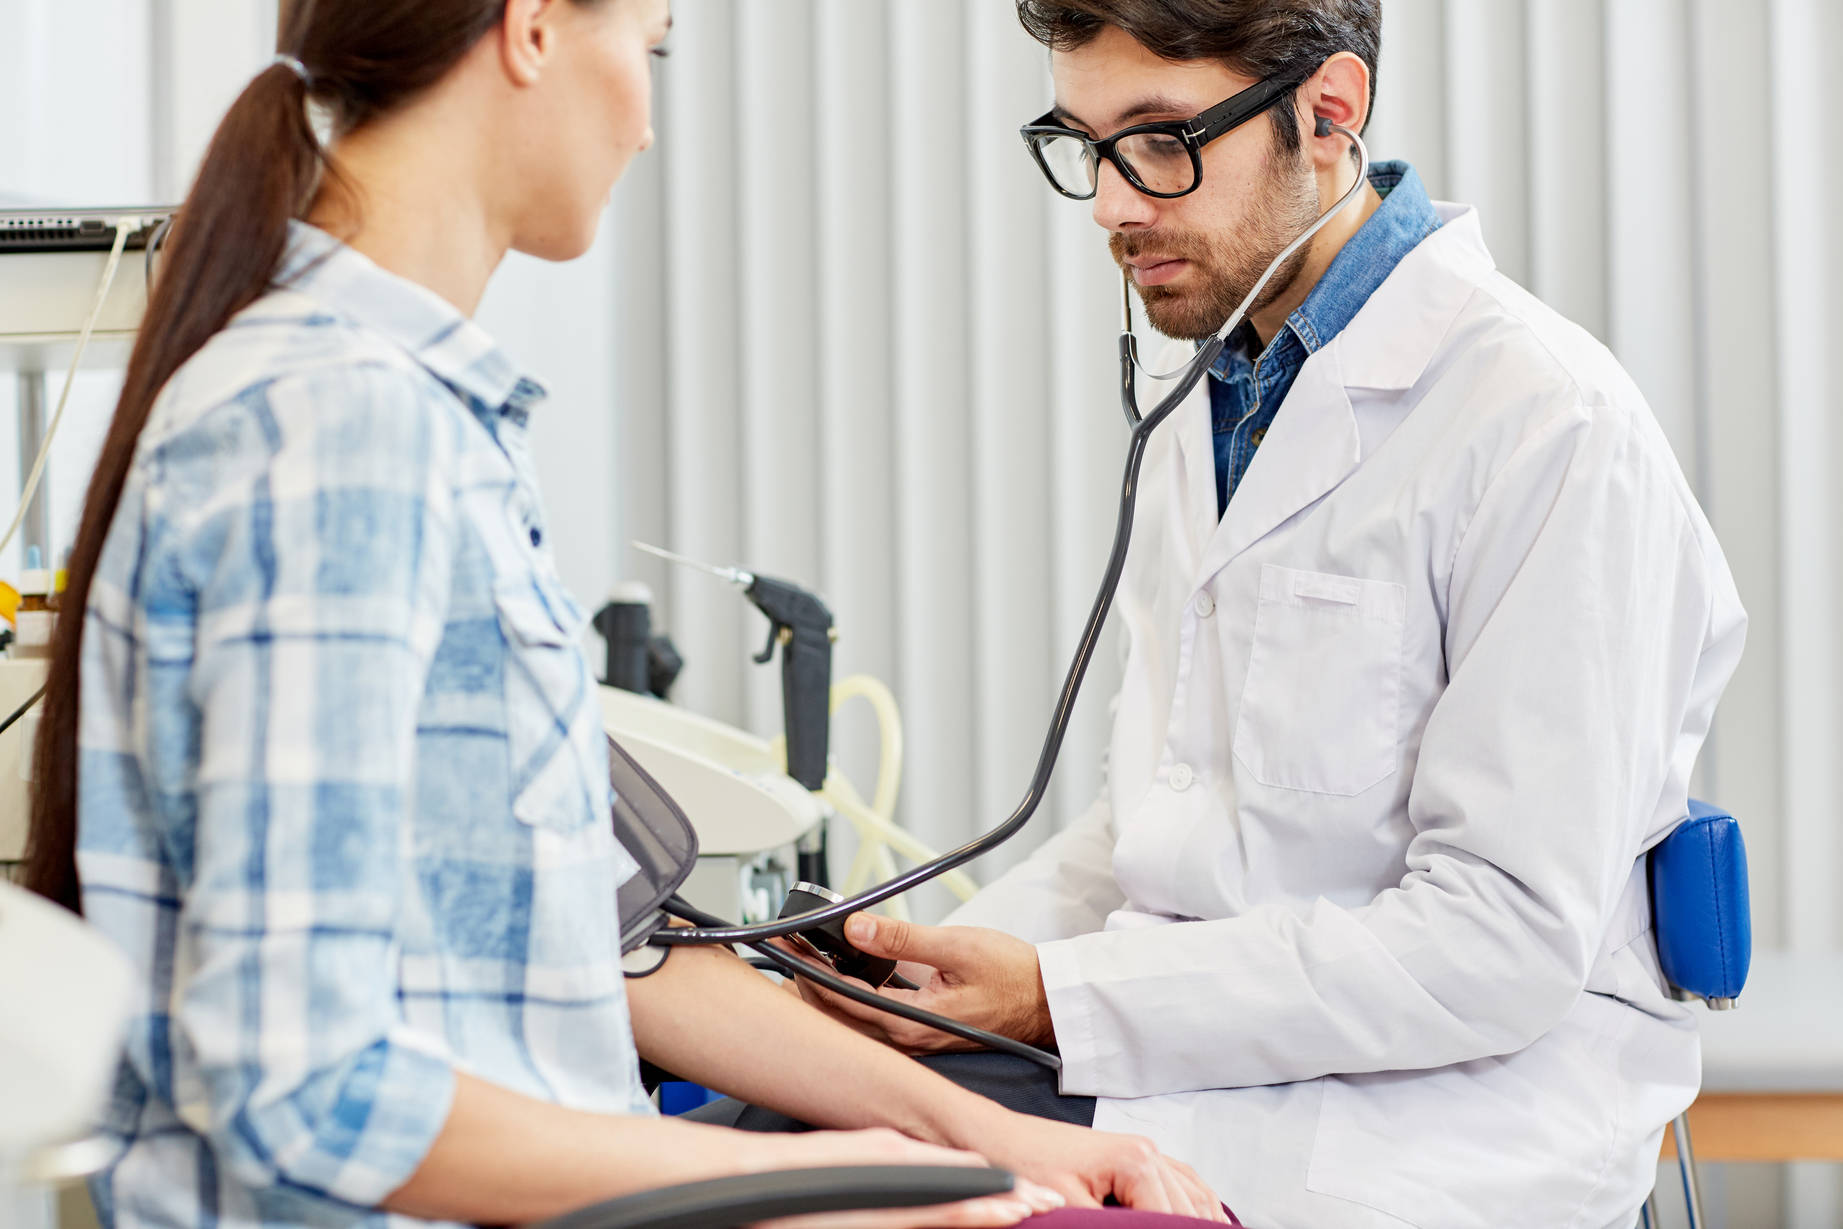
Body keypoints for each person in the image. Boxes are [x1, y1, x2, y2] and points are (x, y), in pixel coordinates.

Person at [19, 3, 1228, 1228]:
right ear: (534, 29)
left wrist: (976, 1134)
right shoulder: (338, 428)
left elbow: (602, 941)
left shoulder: (418, 418)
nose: (647, 127)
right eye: (646, 52)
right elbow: (309, 1089)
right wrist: (807, 1183)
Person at [785, 3, 1746, 1227]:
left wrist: (1053, 995)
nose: (1112, 206)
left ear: (1328, 113)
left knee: (805, 1170)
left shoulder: (1548, 427)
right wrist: (930, 971)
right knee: (797, 1115)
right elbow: (1159, 815)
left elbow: (1496, 943)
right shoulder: (1221, 392)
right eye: (1086, 145)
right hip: (1208, 1058)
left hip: (1438, 1115)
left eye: (1159, 140)